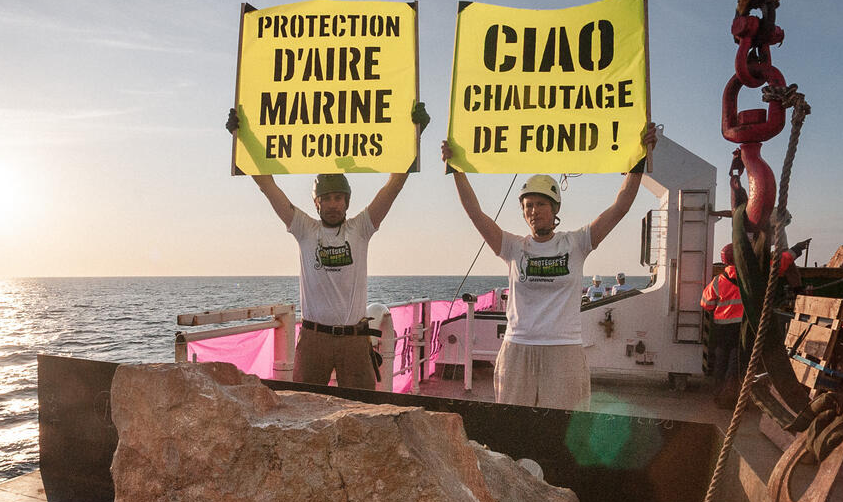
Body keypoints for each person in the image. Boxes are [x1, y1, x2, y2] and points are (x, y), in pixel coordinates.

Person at [441, 122, 657, 408]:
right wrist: (456, 169)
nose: (533, 211)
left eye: (541, 204)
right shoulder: (512, 246)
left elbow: (620, 207)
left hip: (563, 348)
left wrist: (639, 158)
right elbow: (475, 213)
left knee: (565, 425)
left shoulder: (576, 243)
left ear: (555, 209)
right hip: (518, 347)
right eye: (528, 205)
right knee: (513, 422)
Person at [228, 103, 429, 389]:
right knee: (303, 405)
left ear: (347, 202)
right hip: (314, 340)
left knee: (362, 410)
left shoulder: (361, 229)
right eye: (326, 198)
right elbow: (267, 185)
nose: (333, 204)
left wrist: (415, 135)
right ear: (316, 202)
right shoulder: (304, 229)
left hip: (354, 339)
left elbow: (393, 185)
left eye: (338, 198)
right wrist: (241, 138)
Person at [700, 243, 743, 409]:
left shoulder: (718, 281)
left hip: (721, 329)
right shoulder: (748, 277)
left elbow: (705, 304)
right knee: (735, 364)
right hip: (740, 330)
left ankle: (719, 397)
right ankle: (731, 399)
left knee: (720, 364)